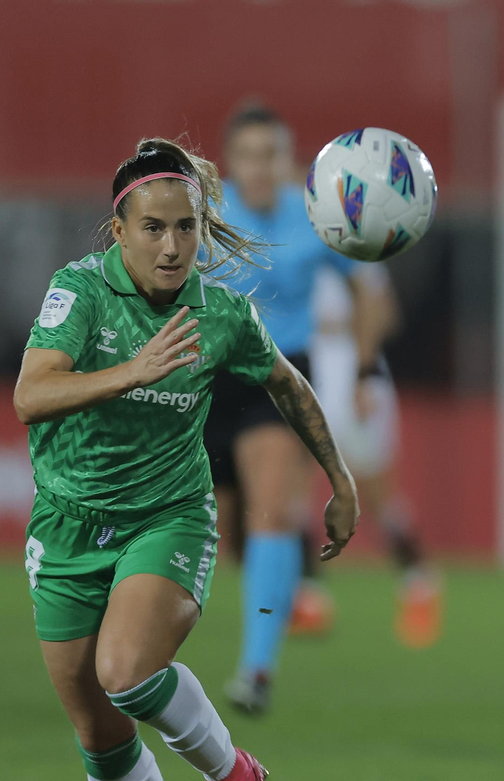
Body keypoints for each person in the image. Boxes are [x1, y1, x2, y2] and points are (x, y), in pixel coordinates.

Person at [13, 138, 358, 781]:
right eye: (154, 229)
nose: (172, 247)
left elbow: (289, 384)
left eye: (186, 229)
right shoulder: (79, 293)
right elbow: (32, 395)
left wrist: (338, 481)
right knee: (97, 731)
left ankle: (235, 776)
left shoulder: (221, 313)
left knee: (127, 672)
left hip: (168, 517)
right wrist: (130, 371)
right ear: (119, 230)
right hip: (66, 525)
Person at [204, 104, 402, 714]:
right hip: (207, 378)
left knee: (270, 509)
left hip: (279, 374)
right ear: (231, 164)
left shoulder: (318, 215)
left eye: (273, 155)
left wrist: (366, 367)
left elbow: (373, 295)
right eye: (249, 156)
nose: (261, 168)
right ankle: (278, 593)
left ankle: (256, 671)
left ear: (289, 162)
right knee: (227, 530)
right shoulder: (202, 215)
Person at [307, 263, 444, 648]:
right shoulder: (285, 233)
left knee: (375, 492)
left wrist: (356, 340)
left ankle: (419, 582)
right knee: (292, 487)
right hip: (304, 363)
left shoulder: (357, 243)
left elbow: (388, 314)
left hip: (354, 366)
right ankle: (309, 598)